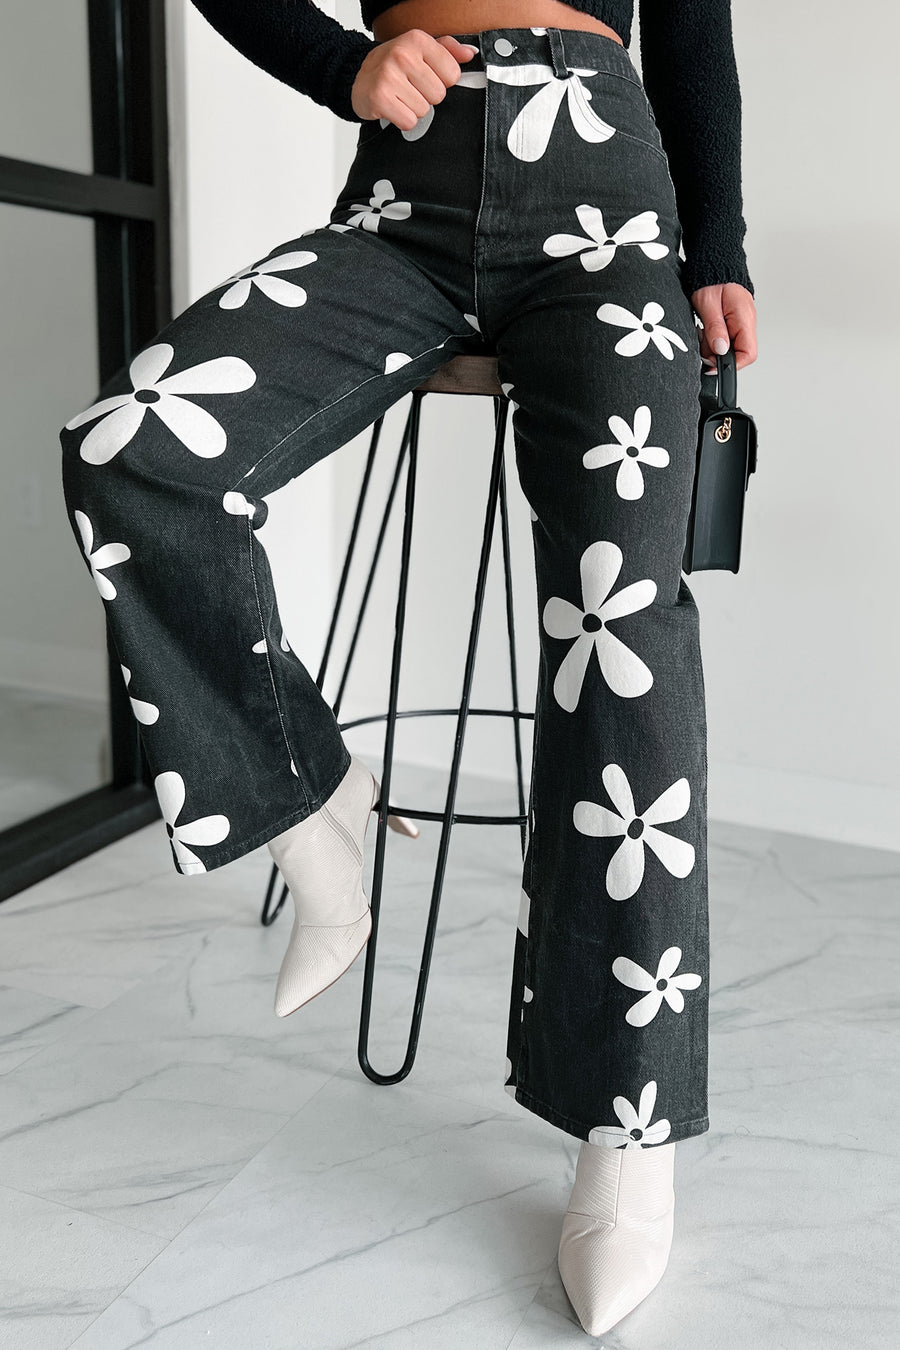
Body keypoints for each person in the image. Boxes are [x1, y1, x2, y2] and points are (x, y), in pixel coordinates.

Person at [58, 0, 758, 1336]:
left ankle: (626, 1121)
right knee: (130, 450)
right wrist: (345, 65)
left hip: (607, 208)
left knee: (621, 626)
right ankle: (306, 791)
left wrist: (718, 244)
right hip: (406, 199)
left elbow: (692, 25)